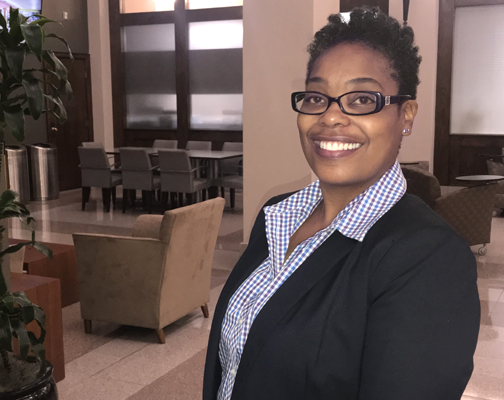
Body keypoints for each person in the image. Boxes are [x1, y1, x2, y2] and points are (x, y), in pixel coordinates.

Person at [203, 7, 480, 400]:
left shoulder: (429, 258)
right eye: (317, 97)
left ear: (406, 115)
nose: (330, 117)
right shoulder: (276, 216)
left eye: (363, 98)